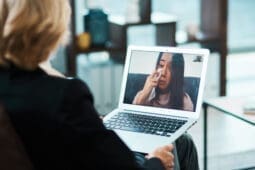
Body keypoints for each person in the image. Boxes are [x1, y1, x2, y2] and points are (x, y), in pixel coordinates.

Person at [0, 0, 198, 170]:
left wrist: (90, 125)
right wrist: (156, 162)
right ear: (52, 26)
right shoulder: (64, 95)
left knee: (184, 142)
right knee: (168, 148)